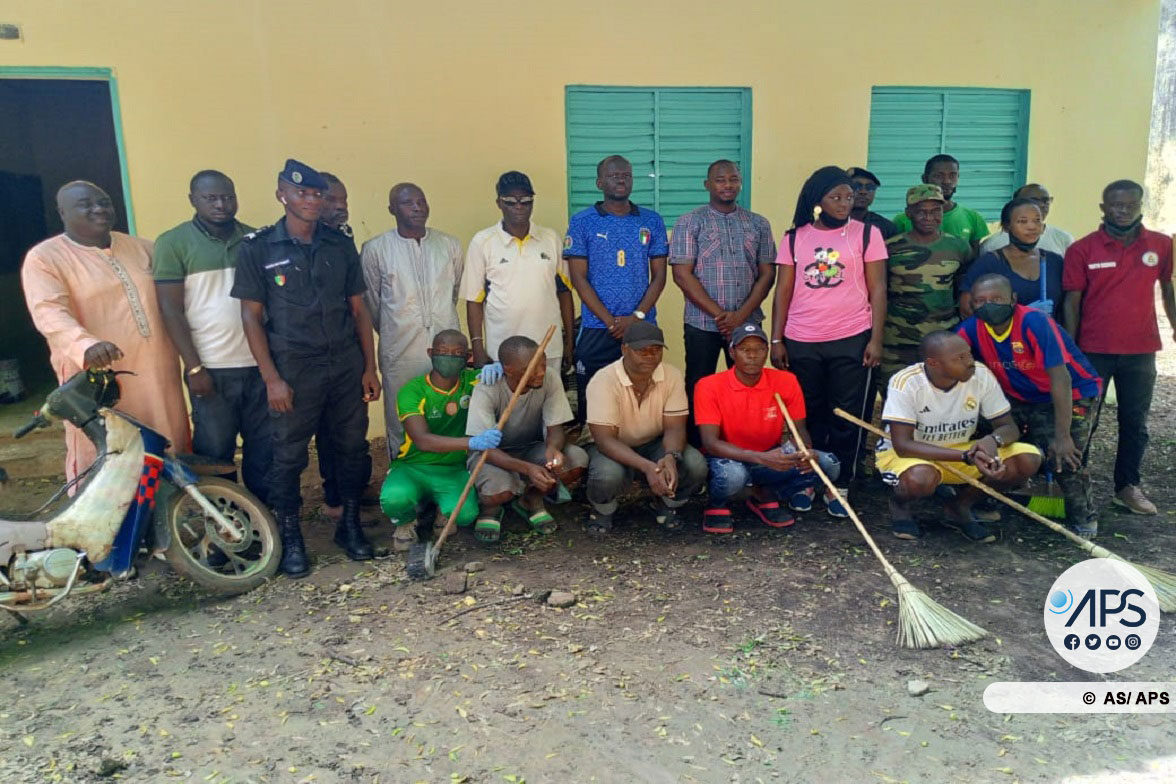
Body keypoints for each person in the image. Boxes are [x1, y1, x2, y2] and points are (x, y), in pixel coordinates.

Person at [231, 159, 381, 578]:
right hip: (293, 369)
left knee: (351, 449)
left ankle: (349, 526)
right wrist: (271, 379)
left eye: (317, 194)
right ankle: (291, 536)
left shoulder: (338, 244)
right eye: (302, 193)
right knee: (288, 456)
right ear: (282, 195)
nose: (311, 200)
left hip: (345, 365)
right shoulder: (258, 248)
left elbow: (358, 310)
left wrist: (370, 367)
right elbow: (250, 318)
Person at [22, 181, 191, 482]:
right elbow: (48, 311)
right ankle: (110, 525)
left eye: (104, 202)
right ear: (62, 212)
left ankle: (169, 515)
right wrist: (85, 344)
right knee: (108, 452)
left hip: (158, 370)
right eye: (86, 204)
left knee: (166, 439)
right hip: (99, 376)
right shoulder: (45, 258)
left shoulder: (143, 247)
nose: (99, 209)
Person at [769, 166, 887, 510]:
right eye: (835, 197)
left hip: (851, 336)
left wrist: (875, 339)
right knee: (809, 414)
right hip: (802, 338)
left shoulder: (867, 235)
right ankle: (809, 480)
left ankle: (841, 484)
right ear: (817, 200)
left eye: (848, 197)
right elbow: (783, 291)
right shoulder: (795, 237)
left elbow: (878, 289)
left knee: (846, 416)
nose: (844, 204)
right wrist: (777, 340)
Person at [153, 170, 269, 500]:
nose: (221, 204)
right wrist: (194, 368)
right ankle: (223, 528)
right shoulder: (173, 243)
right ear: (193, 200)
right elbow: (170, 310)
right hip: (212, 369)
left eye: (228, 196)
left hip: (260, 366)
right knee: (216, 455)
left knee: (264, 451)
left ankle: (265, 523)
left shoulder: (254, 239)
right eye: (211, 198)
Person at [1063, 179, 1176, 516]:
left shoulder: (1161, 245)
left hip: (1141, 350)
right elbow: (1072, 301)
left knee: (1135, 421)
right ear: (1103, 208)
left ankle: (1127, 486)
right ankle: (1074, 483)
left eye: (1130, 205)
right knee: (1083, 420)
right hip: (1093, 351)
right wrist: (1070, 349)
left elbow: (1166, 287)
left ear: (1141, 206)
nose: (1122, 211)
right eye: (1115, 205)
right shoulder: (1082, 249)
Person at [957, 274, 1102, 536]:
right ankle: (987, 500)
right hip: (1019, 396)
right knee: (987, 440)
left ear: (1013, 299)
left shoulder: (1035, 322)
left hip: (1070, 394)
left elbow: (1061, 378)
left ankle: (1084, 517)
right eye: (980, 301)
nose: (988, 305)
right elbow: (950, 357)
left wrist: (1062, 434)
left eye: (996, 299)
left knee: (1063, 456)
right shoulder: (970, 329)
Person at [876, 331, 1042, 542]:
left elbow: (1008, 426)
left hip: (964, 450)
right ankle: (900, 505)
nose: (970, 362)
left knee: (1027, 459)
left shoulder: (980, 374)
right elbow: (903, 445)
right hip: (914, 454)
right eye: (959, 358)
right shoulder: (906, 383)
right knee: (920, 479)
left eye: (969, 354)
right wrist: (965, 457)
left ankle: (959, 506)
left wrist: (992, 441)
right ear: (933, 363)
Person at [694, 323, 841, 533]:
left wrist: (803, 450)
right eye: (745, 350)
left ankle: (764, 493)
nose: (752, 355)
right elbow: (710, 443)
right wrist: (761, 458)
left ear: (767, 352)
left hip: (769, 454)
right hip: (728, 457)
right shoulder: (709, 386)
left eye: (759, 349)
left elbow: (799, 431)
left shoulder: (786, 381)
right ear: (732, 352)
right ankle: (717, 504)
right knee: (733, 476)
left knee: (828, 464)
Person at [669, 159, 777, 446]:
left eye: (733, 179)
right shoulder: (690, 222)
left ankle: (744, 443)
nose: (727, 185)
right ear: (707, 185)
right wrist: (721, 315)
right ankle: (696, 449)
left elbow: (767, 273)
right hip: (702, 322)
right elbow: (681, 273)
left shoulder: (758, 223)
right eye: (720, 180)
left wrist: (740, 316)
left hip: (747, 326)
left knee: (748, 383)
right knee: (700, 385)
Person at [361, 182, 464, 457]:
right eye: (408, 202)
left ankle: (448, 476)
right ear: (392, 209)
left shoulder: (450, 245)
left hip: (446, 349)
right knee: (401, 418)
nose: (418, 207)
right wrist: (395, 329)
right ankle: (405, 479)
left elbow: (453, 293)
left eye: (422, 201)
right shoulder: (375, 249)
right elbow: (372, 303)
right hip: (400, 349)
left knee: (447, 413)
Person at [565, 155, 669, 423]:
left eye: (626, 174)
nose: (621, 179)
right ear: (600, 182)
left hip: (641, 327)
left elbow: (659, 276)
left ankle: (641, 444)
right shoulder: (582, 221)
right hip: (597, 326)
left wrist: (636, 317)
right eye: (613, 175)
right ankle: (595, 446)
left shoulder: (651, 220)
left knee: (643, 391)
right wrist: (610, 321)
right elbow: (579, 279)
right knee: (593, 393)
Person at [380, 330, 502, 552]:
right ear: (430, 353)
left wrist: (499, 369)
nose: (450, 357)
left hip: (453, 468)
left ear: (467, 357)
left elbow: (510, 378)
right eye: (443, 352)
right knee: (394, 499)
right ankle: (406, 522)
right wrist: (472, 442)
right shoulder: (413, 391)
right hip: (413, 465)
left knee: (465, 515)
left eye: (457, 353)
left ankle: (442, 512)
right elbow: (423, 441)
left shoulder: (473, 381)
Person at [583, 321, 707, 535]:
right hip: (612, 446)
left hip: (653, 443)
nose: (650, 356)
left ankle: (666, 505)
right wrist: (647, 467)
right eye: (642, 350)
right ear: (624, 349)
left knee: (695, 464)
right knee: (606, 474)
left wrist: (670, 456)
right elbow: (605, 441)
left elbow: (675, 429)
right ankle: (603, 510)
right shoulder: (603, 380)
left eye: (656, 350)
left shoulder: (672, 376)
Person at [465, 335, 589, 543]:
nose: (541, 373)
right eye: (531, 369)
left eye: (543, 364)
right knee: (498, 492)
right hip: (491, 456)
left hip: (531, 449)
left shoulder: (549, 378)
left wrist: (553, 449)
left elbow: (555, 428)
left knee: (576, 460)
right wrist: (528, 469)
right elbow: (486, 450)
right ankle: (491, 509)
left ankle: (530, 499)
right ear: (508, 369)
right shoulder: (486, 389)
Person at [460, 171, 574, 378]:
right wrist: (477, 346)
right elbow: (474, 300)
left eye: (526, 201)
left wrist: (570, 342)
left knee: (547, 405)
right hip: (502, 350)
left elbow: (564, 292)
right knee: (508, 407)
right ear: (499, 203)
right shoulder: (483, 242)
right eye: (511, 202)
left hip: (548, 347)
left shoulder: (550, 238)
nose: (519, 207)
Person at [314, 171, 372, 520]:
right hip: (315, 354)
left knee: (353, 428)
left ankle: (355, 490)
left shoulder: (343, 238)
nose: (340, 208)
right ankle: (334, 499)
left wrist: (368, 362)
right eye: (332, 201)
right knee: (328, 430)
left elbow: (357, 302)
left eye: (344, 201)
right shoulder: (302, 242)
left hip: (348, 350)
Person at [881, 184, 973, 386]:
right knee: (896, 393)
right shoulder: (890, 248)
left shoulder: (959, 247)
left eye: (935, 211)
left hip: (943, 338)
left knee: (941, 395)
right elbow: (879, 292)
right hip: (898, 340)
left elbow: (963, 290)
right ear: (908, 214)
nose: (929, 217)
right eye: (921, 212)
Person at [960, 198, 1064, 321]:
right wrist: (1018, 317)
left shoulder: (1055, 261)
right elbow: (966, 308)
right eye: (1022, 221)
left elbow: (1067, 306)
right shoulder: (989, 263)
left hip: (1046, 337)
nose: (1031, 227)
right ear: (1006, 227)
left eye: (1037, 221)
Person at [892, 155, 989, 251]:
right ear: (925, 179)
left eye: (952, 175)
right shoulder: (902, 220)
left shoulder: (972, 218)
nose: (947, 181)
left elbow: (975, 259)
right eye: (938, 176)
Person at [980, 184, 1074, 256]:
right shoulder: (992, 245)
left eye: (1046, 200)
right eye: (1034, 200)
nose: (1042, 205)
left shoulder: (1063, 239)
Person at [846, 166, 900, 240]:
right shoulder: (832, 222)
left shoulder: (886, 227)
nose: (863, 192)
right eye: (857, 186)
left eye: (870, 187)